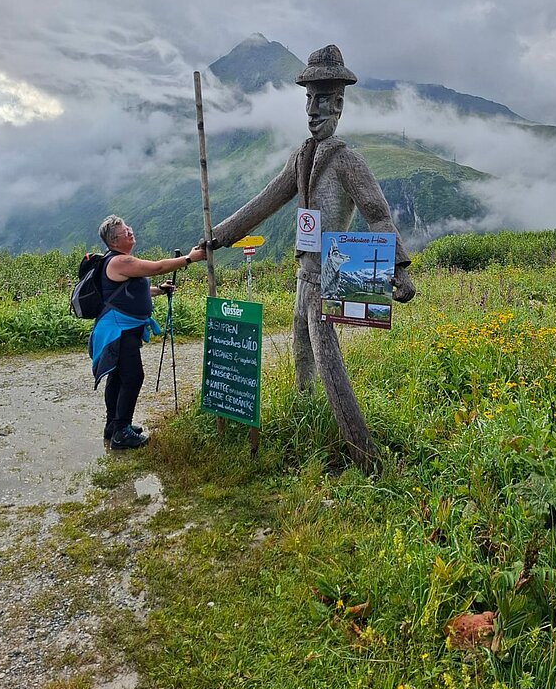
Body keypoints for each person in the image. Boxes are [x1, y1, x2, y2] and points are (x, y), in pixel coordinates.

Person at [208, 45, 415, 473]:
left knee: (329, 365)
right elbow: (263, 202)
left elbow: (377, 214)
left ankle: (367, 460)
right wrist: (219, 236)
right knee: (302, 357)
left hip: (329, 279)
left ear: (338, 104)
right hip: (303, 279)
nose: (312, 109)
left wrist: (399, 267)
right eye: (308, 98)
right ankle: (307, 431)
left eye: (322, 99)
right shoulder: (300, 158)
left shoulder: (348, 162)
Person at [90, 215, 206, 450]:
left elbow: (130, 289)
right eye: (125, 232)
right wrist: (189, 258)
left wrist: (159, 290)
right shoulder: (119, 261)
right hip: (118, 331)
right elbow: (158, 267)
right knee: (133, 377)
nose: (130, 232)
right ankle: (121, 433)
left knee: (118, 377)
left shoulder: (117, 261)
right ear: (114, 241)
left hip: (121, 329)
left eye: (129, 228)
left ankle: (113, 426)